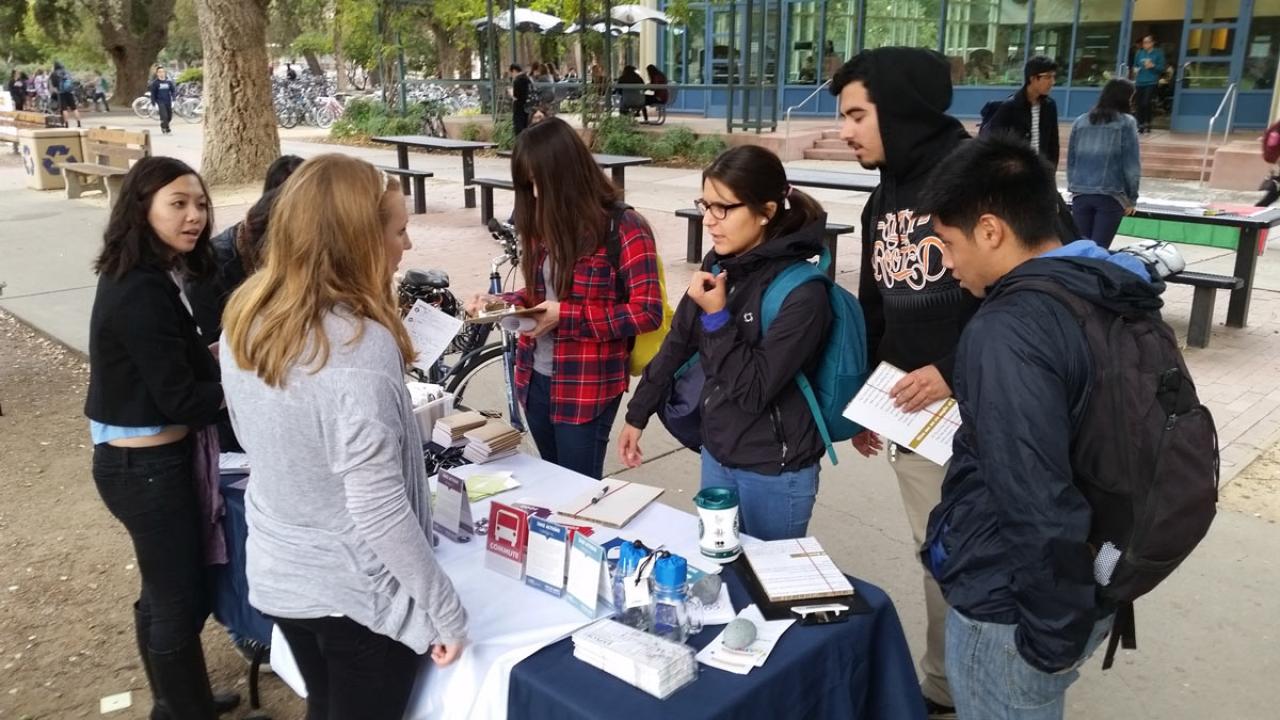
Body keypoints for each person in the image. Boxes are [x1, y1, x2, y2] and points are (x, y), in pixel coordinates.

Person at [220, 155, 468, 719]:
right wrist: (444, 609)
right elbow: (377, 507)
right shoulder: (359, 346)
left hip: (284, 574)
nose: (406, 245)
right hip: (356, 598)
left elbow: (253, 435)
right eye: (398, 230)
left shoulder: (246, 313)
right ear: (358, 238)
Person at [917, 135, 1147, 719]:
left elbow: (1034, 500)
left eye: (948, 242)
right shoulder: (1104, 286)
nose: (946, 261)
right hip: (1098, 573)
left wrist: (1046, 644)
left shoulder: (1008, 330)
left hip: (1010, 608)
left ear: (991, 230)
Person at [829, 47, 979, 719]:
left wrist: (953, 372)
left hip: (990, 416)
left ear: (901, 109)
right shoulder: (884, 194)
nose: (846, 130)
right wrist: (869, 398)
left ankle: (968, 687)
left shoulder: (984, 176)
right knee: (940, 557)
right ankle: (950, 682)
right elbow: (877, 305)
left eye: (857, 114)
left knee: (969, 562)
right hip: (917, 424)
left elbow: (1039, 298)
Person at [84, 156, 240, 719]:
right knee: (178, 598)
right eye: (178, 203)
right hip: (145, 470)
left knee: (163, 592)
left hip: (148, 461)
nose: (194, 216)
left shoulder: (155, 274)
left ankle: (177, 700)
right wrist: (245, 388)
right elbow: (181, 398)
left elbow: (173, 363)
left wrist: (223, 356)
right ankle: (183, 709)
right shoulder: (139, 289)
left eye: (199, 204)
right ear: (141, 207)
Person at [619, 145, 832, 541]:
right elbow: (678, 341)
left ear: (766, 211)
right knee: (719, 571)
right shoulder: (718, 266)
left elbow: (754, 391)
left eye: (724, 209)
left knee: (768, 589)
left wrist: (718, 317)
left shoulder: (803, 292)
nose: (710, 221)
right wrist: (637, 413)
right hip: (717, 452)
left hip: (775, 468)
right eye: (705, 205)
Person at [469, 118, 662, 479]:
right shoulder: (542, 222)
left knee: (577, 494)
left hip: (587, 387)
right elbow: (539, 295)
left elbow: (646, 311)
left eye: (540, 181)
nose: (536, 193)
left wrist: (566, 316)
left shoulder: (623, 226)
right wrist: (498, 303)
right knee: (551, 485)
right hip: (533, 378)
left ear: (567, 173)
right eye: (528, 185)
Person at [1067, 79, 1141, 250]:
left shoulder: (1081, 121)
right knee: (1098, 252)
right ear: (1125, 98)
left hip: (1080, 193)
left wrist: (1074, 186)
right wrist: (1132, 199)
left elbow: (1071, 160)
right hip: (1110, 194)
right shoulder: (1126, 122)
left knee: (1080, 251)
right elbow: (1131, 165)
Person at [980, 56, 1060, 169]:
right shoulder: (1010, 107)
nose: (1052, 82)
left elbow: (1053, 144)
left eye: (1053, 77)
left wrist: (1050, 172)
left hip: (1041, 173)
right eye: (1047, 77)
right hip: (1017, 174)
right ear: (1032, 78)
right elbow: (993, 143)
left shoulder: (1050, 106)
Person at [1133, 35, 1165, 134]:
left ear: (1152, 43)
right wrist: (1135, 70)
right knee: (1139, 104)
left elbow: (1161, 68)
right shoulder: (1139, 53)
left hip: (1151, 81)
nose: (1145, 44)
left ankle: (1147, 122)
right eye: (1144, 42)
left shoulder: (1158, 54)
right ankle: (1140, 124)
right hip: (1140, 81)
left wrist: (1152, 66)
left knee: (1146, 102)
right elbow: (1135, 65)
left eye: (1147, 42)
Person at [51, 61, 82, 128]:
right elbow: (72, 80)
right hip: (69, 92)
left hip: (61, 93)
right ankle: (79, 123)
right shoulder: (66, 72)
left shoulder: (54, 74)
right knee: (74, 108)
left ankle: (66, 124)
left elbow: (54, 85)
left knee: (64, 109)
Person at [150, 66, 176, 135]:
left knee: (169, 117)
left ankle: (163, 125)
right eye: (160, 72)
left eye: (163, 72)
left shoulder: (169, 82)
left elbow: (173, 91)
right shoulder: (155, 83)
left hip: (168, 101)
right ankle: (167, 129)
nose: (161, 73)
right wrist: (154, 104)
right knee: (164, 116)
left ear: (165, 73)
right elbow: (153, 94)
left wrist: (173, 100)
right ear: (157, 73)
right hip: (160, 102)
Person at [509, 63, 532, 135]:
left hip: (519, 107)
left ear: (514, 71)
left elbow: (516, 96)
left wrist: (510, 93)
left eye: (511, 73)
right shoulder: (528, 79)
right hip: (527, 107)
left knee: (519, 129)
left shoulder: (517, 80)